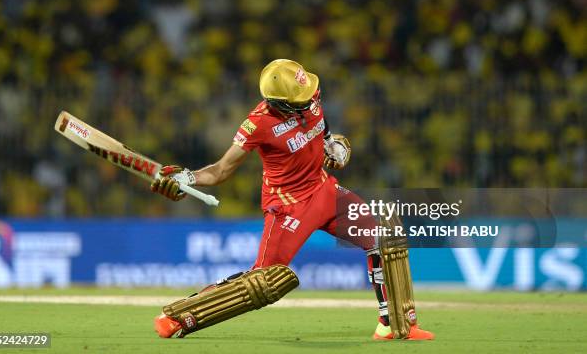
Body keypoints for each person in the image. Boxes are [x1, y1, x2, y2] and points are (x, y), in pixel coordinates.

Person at [151, 59, 434, 340]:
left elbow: (326, 140)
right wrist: (188, 178)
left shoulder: (311, 101)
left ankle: (393, 324)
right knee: (262, 282)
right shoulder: (258, 123)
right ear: (281, 103)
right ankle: (180, 315)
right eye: (302, 96)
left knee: (381, 238)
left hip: (325, 191)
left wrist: (336, 148)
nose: (311, 97)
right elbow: (221, 170)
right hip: (288, 207)